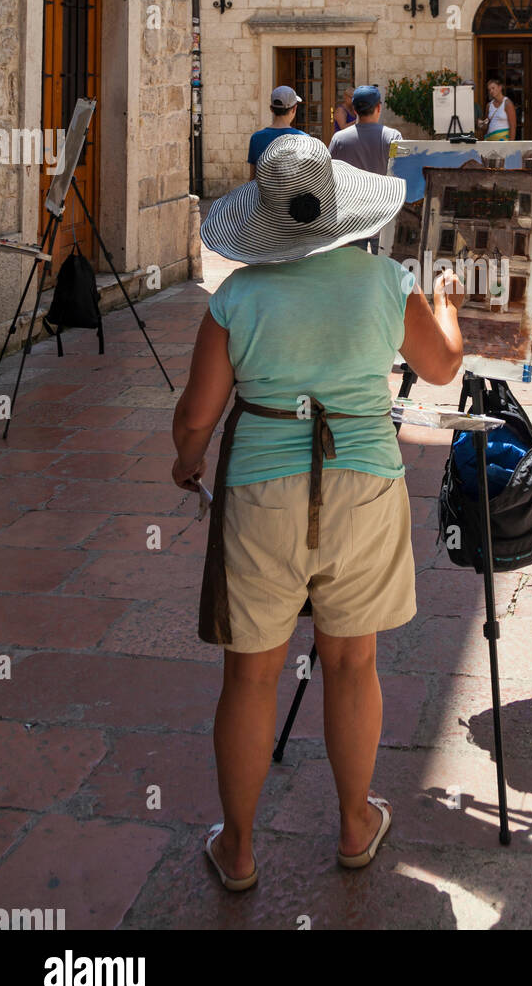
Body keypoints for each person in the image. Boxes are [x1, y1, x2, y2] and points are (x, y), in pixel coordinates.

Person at [172, 133, 464, 889]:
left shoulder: (238, 294)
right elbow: (440, 368)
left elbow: (197, 416)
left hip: (261, 485)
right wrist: (448, 308)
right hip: (362, 478)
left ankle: (237, 851)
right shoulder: (383, 284)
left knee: (250, 676)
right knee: (351, 660)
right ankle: (353, 825)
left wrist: (186, 459)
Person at [329, 85, 402, 253]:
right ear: (378, 107)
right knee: (383, 271)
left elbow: (328, 176)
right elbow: (401, 173)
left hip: (352, 220)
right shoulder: (393, 137)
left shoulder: (339, 139)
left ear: (354, 109)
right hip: (384, 217)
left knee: (354, 274)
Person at [247, 86, 307, 180]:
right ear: (294, 109)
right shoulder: (304, 139)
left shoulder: (256, 138)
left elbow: (252, 178)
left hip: (263, 194)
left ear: (271, 109)